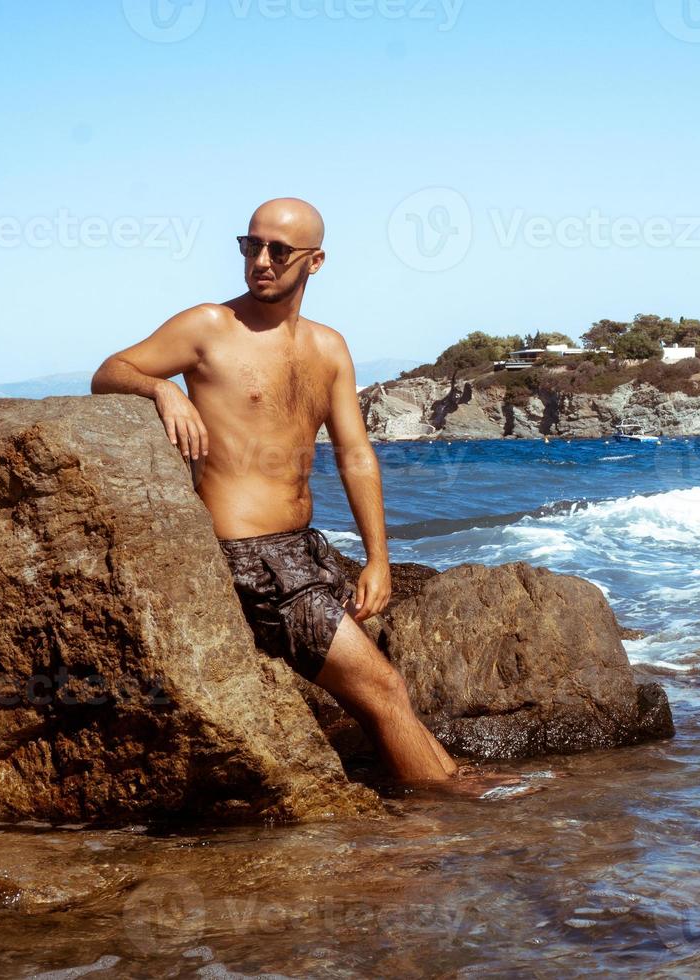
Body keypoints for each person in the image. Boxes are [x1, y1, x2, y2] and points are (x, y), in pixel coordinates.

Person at [91, 197, 460, 787]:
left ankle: (455, 795)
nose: (261, 260)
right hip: (248, 559)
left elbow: (355, 454)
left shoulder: (328, 347)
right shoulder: (210, 326)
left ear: (314, 262)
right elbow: (110, 371)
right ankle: (454, 821)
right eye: (250, 245)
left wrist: (378, 559)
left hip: (304, 549)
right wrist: (163, 392)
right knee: (382, 686)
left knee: (380, 693)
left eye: (278, 251)